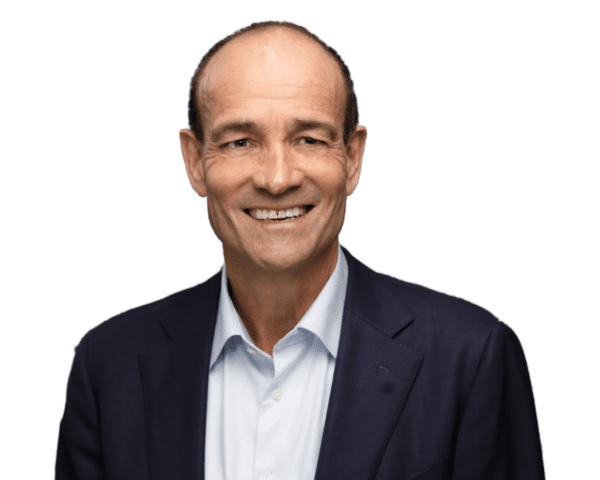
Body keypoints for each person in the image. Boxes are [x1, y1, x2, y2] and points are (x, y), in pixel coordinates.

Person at [54, 20, 546, 480]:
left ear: (352, 158)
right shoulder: (108, 365)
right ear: (194, 160)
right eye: (240, 142)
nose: (277, 178)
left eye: (309, 140)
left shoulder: (471, 357)